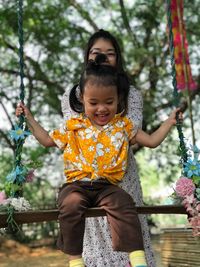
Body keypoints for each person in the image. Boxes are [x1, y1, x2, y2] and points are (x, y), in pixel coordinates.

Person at [16, 59, 182, 267]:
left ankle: (138, 260)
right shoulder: (74, 125)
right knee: (70, 204)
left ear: (118, 100)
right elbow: (47, 140)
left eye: (109, 102)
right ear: (82, 101)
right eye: (93, 103)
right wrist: (29, 118)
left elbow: (152, 141)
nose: (102, 109)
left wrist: (169, 122)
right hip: (77, 185)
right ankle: (75, 260)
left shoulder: (123, 125)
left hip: (107, 187)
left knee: (125, 203)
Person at [61, 29, 155, 267]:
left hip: (120, 174)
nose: (102, 57)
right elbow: (75, 132)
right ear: (87, 56)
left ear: (117, 58)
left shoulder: (130, 93)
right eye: (96, 53)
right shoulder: (73, 94)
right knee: (92, 228)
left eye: (109, 53)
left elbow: (133, 132)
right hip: (86, 177)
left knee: (127, 222)